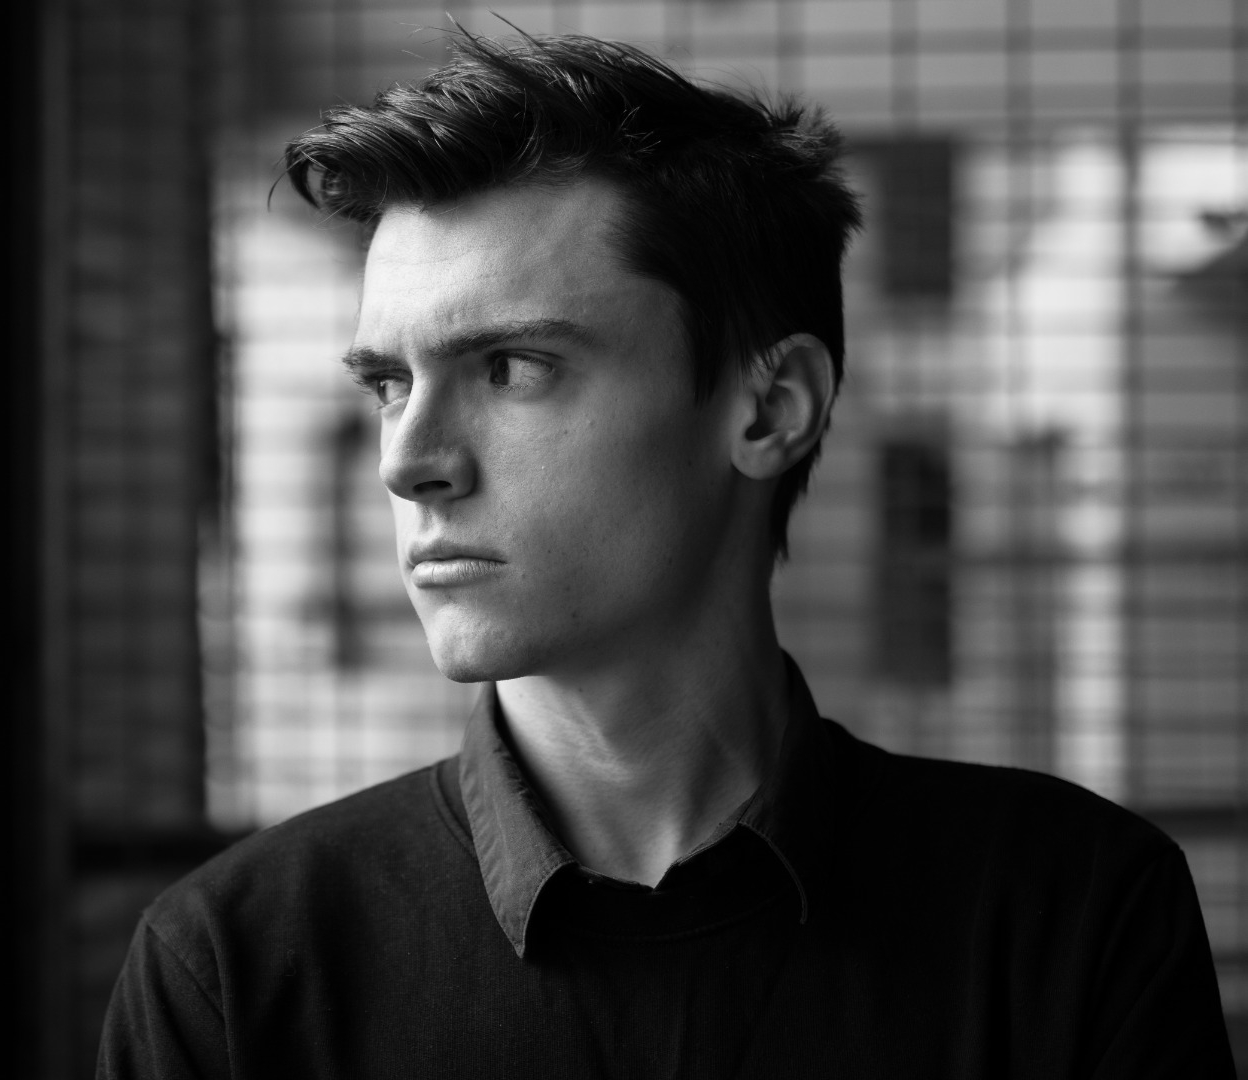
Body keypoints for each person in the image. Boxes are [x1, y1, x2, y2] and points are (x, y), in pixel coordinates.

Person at [98, 32, 1234, 1078]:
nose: (407, 463)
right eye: (390, 382)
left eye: (512, 368)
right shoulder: (237, 970)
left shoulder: (1072, 918)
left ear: (768, 408)